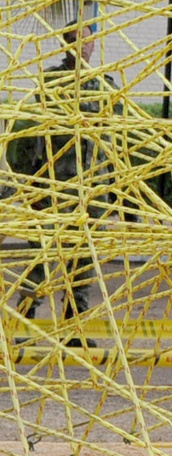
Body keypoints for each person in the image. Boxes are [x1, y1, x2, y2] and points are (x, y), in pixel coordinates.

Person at [8, 19, 118, 347]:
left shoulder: (105, 85)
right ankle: (26, 322)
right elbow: (32, 136)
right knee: (43, 259)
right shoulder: (50, 83)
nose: (81, 46)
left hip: (91, 190)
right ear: (65, 45)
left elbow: (111, 143)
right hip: (55, 187)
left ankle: (75, 325)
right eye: (74, 40)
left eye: (85, 40)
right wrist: (28, 184)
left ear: (93, 44)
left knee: (82, 263)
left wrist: (112, 192)